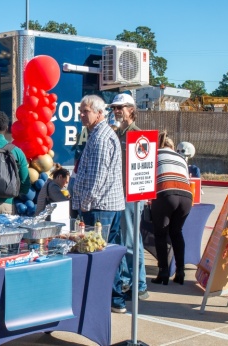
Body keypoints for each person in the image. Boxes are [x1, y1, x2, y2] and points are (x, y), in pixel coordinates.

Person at [71, 95, 126, 313]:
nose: (82, 115)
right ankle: (114, 298)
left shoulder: (101, 137)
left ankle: (107, 299)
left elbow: (98, 176)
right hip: (105, 205)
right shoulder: (99, 134)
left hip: (99, 207)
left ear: (99, 113)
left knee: (99, 254)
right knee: (108, 254)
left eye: (86, 111)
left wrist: (86, 203)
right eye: (81, 111)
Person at [111, 93, 149, 300]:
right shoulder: (120, 134)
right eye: (115, 108)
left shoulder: (137, 135)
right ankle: (128, 280)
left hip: (132, 194)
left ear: (131, 110)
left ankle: (140, 283)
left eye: (121, 107)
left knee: (132, 240)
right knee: (125, 240)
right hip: (121, 193)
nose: (117, 111)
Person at [151, 131, 193, 286]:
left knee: (160, 234)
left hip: (166, 193)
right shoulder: (180, 158)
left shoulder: (154, 155)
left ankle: (163, 272)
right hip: (186, 196)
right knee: (176, 233)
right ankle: (180, 271)